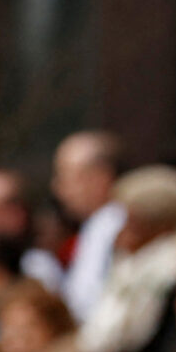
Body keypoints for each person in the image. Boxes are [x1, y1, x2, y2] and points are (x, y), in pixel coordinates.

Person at [76, 165, 176, 352]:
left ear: (161, 228)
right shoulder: (131, 266)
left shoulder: (170, 274)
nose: (120, 235)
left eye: (132, 224)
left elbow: (144, 351)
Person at [53, 131, 125, 321]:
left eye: (66, 177)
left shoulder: (119, 225)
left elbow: (91, 306)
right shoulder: (97, 225)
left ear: (100, 178)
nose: (58, 189)